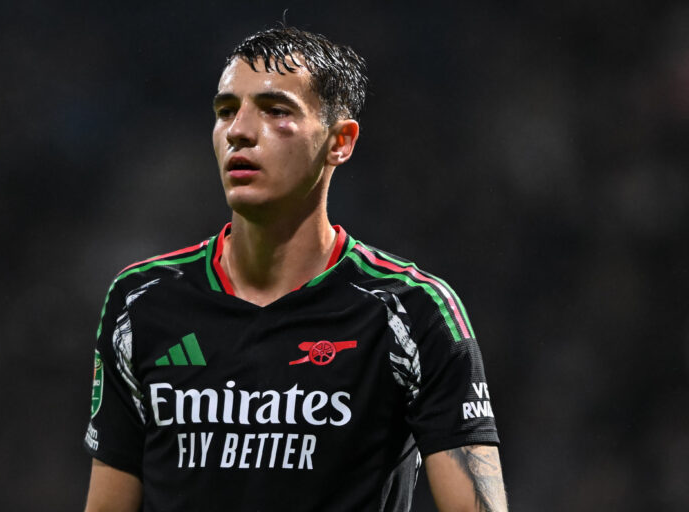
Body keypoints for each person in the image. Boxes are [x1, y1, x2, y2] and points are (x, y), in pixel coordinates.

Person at [83, 26, 507, 512]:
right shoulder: (142, 302)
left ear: (340, 142)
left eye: (275, 110)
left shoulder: (413, 312)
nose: (239, 130)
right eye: (226, 111)